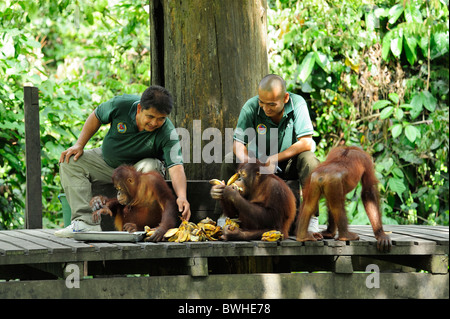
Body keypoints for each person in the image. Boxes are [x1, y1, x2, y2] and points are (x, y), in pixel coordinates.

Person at [55, 85, 190, 238]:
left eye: (161, 119)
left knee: (150, 167)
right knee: (70, 162)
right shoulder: (121, 105)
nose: (154, 123)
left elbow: (176, 166)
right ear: (139, 108)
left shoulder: (167, 132)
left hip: (137, 172)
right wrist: (79, 145)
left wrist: (182, 196)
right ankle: (85, 223)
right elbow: (97, 116)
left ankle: (141, 226)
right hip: (107, 163)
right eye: (150, 117)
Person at [212, 74, 320, 231]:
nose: (266, 108)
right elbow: (238, 143)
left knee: (310, 160)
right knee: (230, 159)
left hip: (289, 164)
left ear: (285, 98)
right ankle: (226, 215)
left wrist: (275, 158)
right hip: (258, 164)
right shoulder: (251, 107)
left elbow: (306, 142)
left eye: (271, 104)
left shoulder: (298, 104)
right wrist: (249, 164)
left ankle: (312, 217)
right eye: (261, 103)